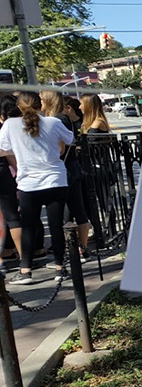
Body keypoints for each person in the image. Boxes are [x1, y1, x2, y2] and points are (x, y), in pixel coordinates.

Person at [0, 92, 74, 284]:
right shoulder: (52, 123)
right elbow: (69, 139)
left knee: (28, 226)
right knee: (56, 226)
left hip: (28, 183)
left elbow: (3, 147)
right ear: (40, 104)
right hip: (55, 179)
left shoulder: (10, 125)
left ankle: (25, 270)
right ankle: (60, 268)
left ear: (18, 106)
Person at [41, 91, 92, 258]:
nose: (40, 102)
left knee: (68, 211)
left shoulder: (57, 120)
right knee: (76, 209)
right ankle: (81, 249)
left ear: (49, 101)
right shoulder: (63, 118)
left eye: (42, 99)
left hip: (65, 169)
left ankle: (76, 249)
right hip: (71, 167)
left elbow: (60, 148)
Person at [0, 95, 23, 266]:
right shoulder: (3, 127)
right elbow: (8, 154)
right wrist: (19, 171)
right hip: (3, 173)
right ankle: (24, 256)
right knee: (11, 215)